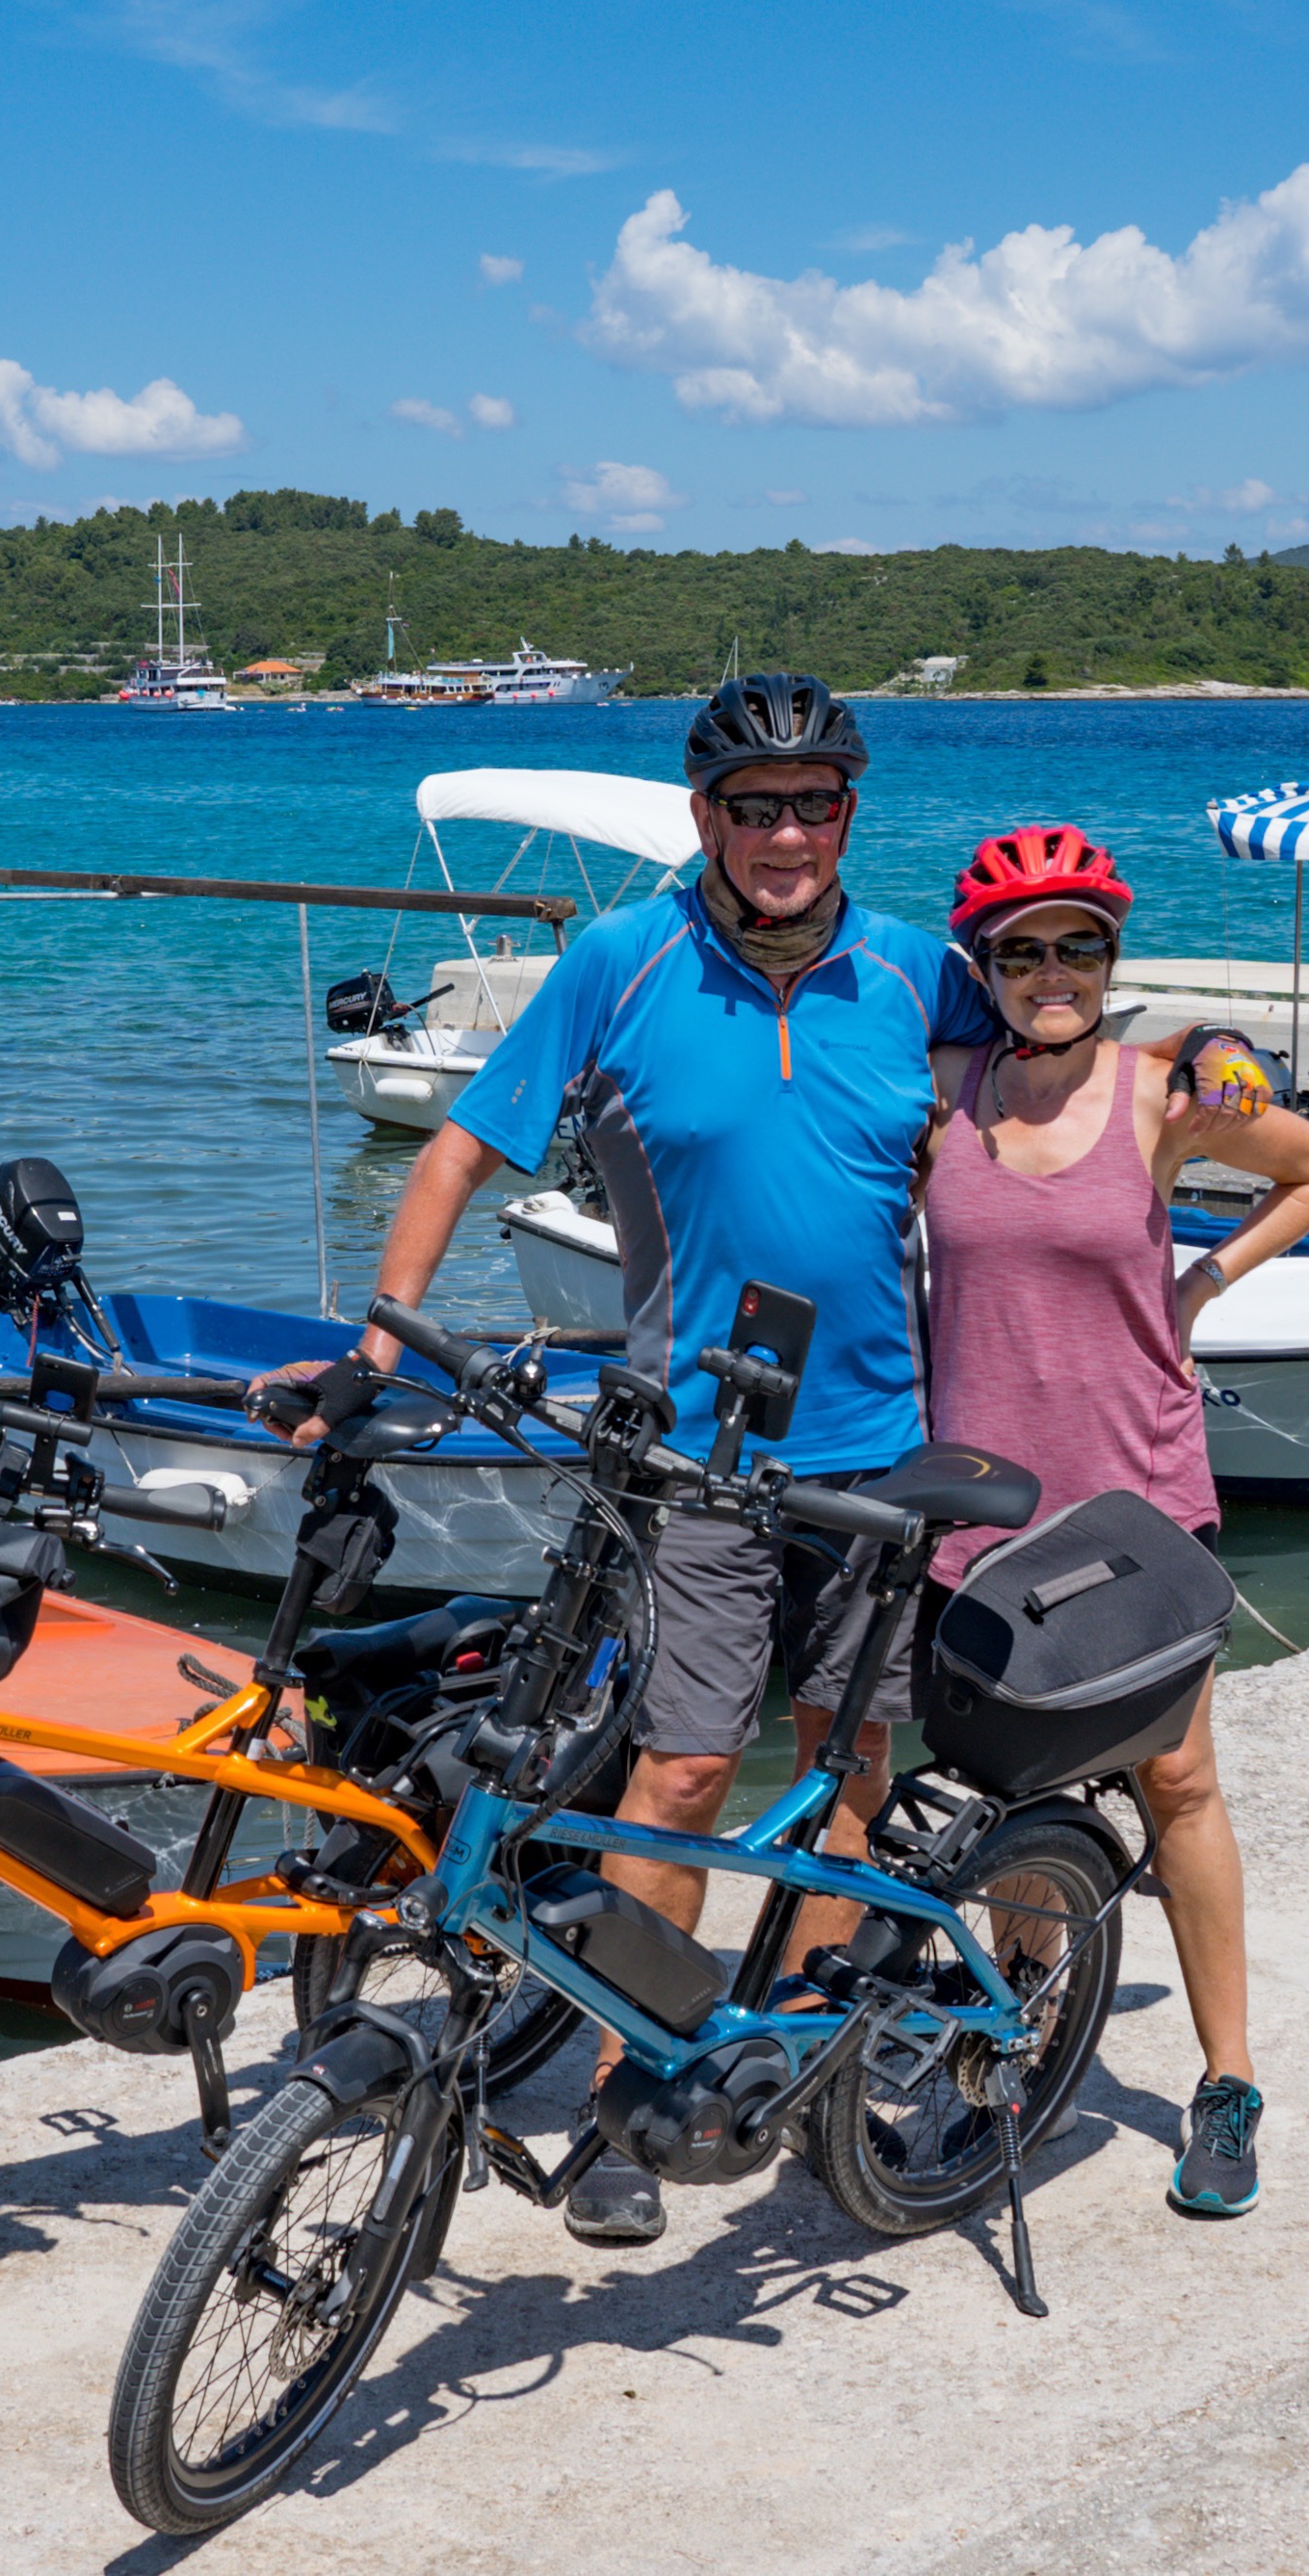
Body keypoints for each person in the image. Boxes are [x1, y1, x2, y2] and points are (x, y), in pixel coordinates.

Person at [276, 670, 1006, 2249]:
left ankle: (805, 2049)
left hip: (883, 1450)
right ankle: (629, 2087)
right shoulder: (624, 958)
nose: (786, 834)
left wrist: (1214, 1064)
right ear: (704, 818)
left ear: (849, 814)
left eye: (814, 803)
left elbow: (1058, 1069)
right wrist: (377, 1349)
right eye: (755, 808)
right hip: (695, 1459)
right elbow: (463, 1145)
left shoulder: (918, 972)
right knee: (677, 1775)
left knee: (851, 1768)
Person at [918, 823, 1309, 2221]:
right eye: (1022, 952)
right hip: (983, 1499)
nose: (1051, 972)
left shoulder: (1165, 1095)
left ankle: (1226, 2079)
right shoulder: (942, 1091)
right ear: (982, 967)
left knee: (1177, 1782)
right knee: (1014, 1791)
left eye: (1079, 948)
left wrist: (1200, 1284)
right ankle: (1021, 2026)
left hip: (1135, 1492)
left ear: (1110, 960)